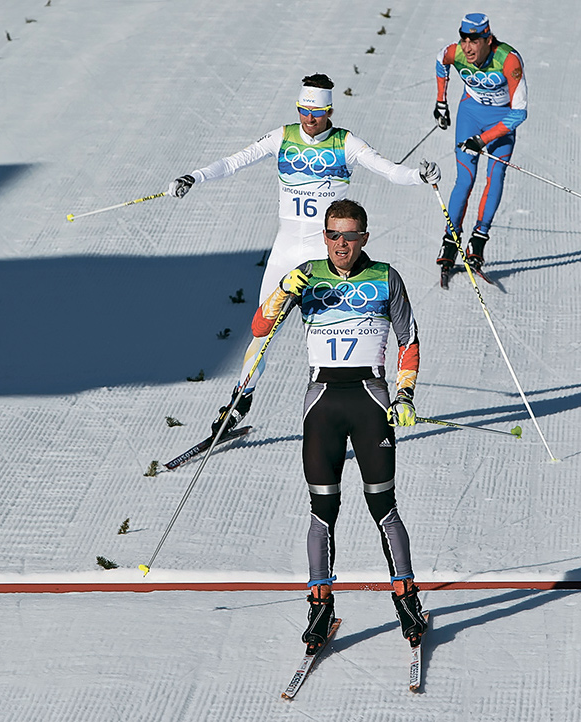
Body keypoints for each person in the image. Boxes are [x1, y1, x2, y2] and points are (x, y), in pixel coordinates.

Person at [167, 74, 441, 437]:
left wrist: (419, 177)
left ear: (329, 110)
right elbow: (235, 161)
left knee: (335, 335)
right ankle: (238, 402)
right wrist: (194, 177)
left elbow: (387, 169)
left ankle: (356, 405)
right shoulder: (282, 136)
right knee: (261, 333)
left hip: (323, 255)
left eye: (317, 113)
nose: (309, 120)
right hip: (285, 250)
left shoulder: (346, 143)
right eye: (303, 111)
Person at [250, 199, 428, 652]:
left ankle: (406, 600)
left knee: (382, 505)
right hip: (323, 402)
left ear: (364, 237)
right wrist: (282, 292)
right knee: (321, 510)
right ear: (324, 236)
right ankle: (319, 606)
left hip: (371, 399)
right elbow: (258, 328)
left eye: (350, 235)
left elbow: (408, 340)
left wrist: (405, 394)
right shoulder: (306, 276)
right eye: (333, 235)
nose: (341, 244)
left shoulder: (385, 277)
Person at [433, 13, 527, 273]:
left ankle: (479, 238)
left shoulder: (508, 60)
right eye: (463, 39)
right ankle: (450, 240)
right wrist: (441, 102)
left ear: (488, 39)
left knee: (495, 176)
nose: (467, 47)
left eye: (474, 41)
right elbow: (441, 60)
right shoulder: (456, 53)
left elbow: (519, 113)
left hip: (502, 122)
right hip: (470, 116)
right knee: (464, 179)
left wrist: (483, 140)